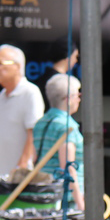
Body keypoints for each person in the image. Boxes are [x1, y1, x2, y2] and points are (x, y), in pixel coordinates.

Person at [0, 43, 44, 176]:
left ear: (17, 66)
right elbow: (2, 134)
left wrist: (21, 167)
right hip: (2, 175)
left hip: (20, 177)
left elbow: (34, 133)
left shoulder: (30, 92)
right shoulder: (2, 96)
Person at [33, 73, 84, 210]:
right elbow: (68, 168)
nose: (79, 99)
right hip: (66, 199)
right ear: (68, 99)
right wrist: (81, 204)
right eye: (77, 95)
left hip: (44, 192)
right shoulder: (66, 126)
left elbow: (35, 158)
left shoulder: (40, 123)